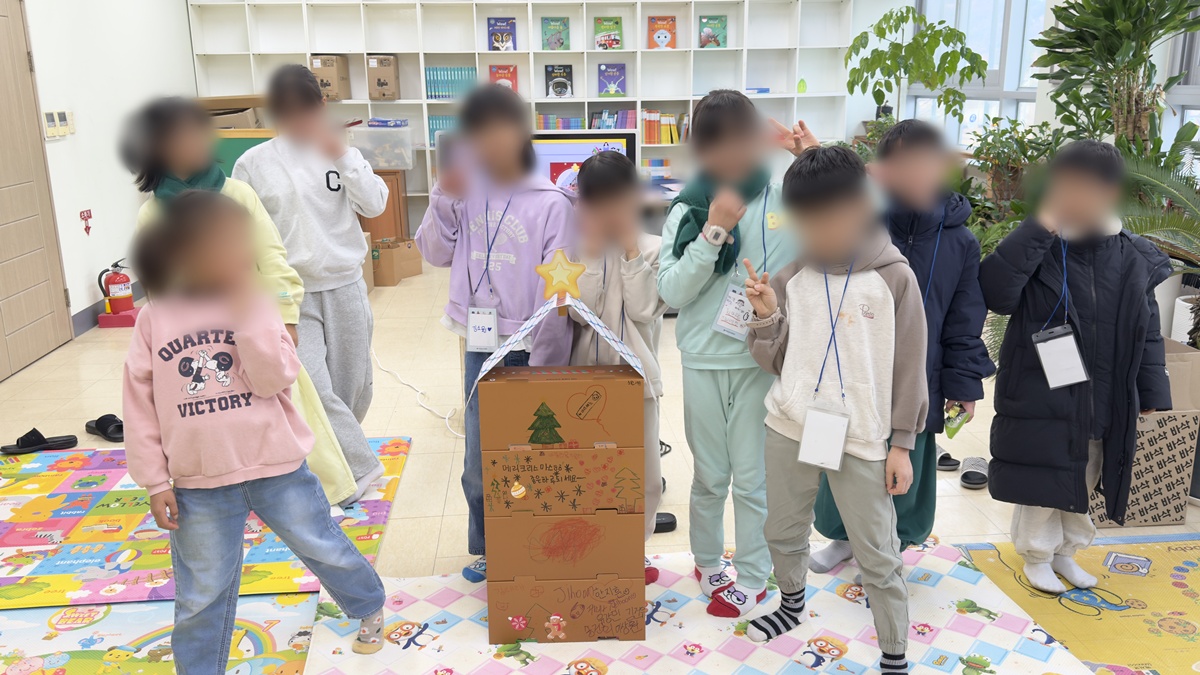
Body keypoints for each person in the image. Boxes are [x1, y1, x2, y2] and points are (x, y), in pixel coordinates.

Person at [122, 191, 387, 674]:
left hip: (277, 467)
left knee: (321, 544)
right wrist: (155, 481)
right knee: (202, 590)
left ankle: (368, 603)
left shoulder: (256, 304)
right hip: (198, 483)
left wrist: (246, 315)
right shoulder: (152, 318)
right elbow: (138, 406)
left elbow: (274, 378)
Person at [121, 97, 358, 506]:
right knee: (209, 420)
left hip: (253, 332)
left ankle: (311, 494)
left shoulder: (238, 194)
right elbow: (159, 291)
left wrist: (286, 318)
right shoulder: (152, 214)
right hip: (194, 344)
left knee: (282, 420)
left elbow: (273, 260)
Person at [744, 145, 925, 674]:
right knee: (782, 529)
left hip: (863, 436)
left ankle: (894, 649)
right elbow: (775, 362)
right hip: (790, 425)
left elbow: (911, 367)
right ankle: (791, 604)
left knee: (878, 551)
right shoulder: (791, 276)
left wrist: (902, 444)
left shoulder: (895, 278)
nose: (816, 232)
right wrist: (766, 319)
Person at [980, 140, 1171, 594]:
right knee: (1043, 477)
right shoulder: (1039, 245)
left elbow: (1147, 331)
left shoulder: (1133, 256)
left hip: (1106, 396)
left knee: (1085, 478)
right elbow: (997, 292)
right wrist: (1041, 226)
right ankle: (1037, 555)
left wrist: (1152, 392)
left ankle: (1067, 552)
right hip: (1042, 395)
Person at [657, 88, 816, 618]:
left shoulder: (786, 198)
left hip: (760, 359)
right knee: (709, 475)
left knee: (752, 479)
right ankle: (706, 562)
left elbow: (854, 219)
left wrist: (811, 158)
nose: (729, 155)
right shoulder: (688, 207)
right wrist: (713, 231)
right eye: (715, 143)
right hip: (703, 360)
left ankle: (751, 575)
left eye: (740, 141)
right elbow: (672, 291)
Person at [810, 120, 994, 573]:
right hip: (851, 366)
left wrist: (963, 385)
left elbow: (964, 320)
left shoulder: (960, 240)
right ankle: (842, 536)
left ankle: (893, 543)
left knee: (906, 462)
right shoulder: (861, 220)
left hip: (920, 374)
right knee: (840, 455)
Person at [415, 84, 574, 582]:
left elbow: (558, 294)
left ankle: (538, 542)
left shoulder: (551, 202)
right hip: (480, 343)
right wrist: (444, 194)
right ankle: (489, 546)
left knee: (535, 456)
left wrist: (548, 363)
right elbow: (434, 253)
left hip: (530, 346)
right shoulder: (465, 190)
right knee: (479, 459)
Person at [233, 65, 388, 504]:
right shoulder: (252, 164)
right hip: (289, 294)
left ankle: (333, 462)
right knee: (313, 389)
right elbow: (240, 233)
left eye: (305, 110)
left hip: (345, 283)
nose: (296, 120)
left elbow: (375, 205)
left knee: (352, 388)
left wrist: (343, 155)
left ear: (320, 106)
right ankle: (357, 471)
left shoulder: (340, 150)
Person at [569, 151, 670, 584]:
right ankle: (592, 547)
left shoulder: (654, 247)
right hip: (584, 381)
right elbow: (579, 314)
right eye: (598, 202)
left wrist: (630, 250)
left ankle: (635, 549)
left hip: (637, 382)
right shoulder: (577, 251)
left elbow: (645, 309)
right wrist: (592, 253)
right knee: (589, 471)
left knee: (643, 476)